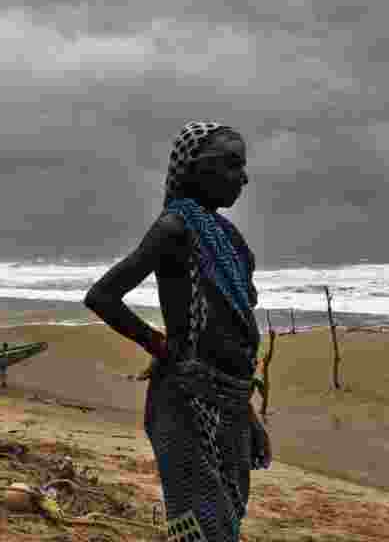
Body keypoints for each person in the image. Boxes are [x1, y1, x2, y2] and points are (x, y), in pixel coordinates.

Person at [84, 122, 270, 542]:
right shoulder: (175, 228)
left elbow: (233, 336)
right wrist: (160, 346)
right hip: (186, 403)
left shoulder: (231, 241)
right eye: (230, 164)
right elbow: (102, 296)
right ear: (194, 170)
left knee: (226, 521)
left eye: (242, 165)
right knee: (201, 528)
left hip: (231, 404)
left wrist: (250, 419)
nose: (243, 177)